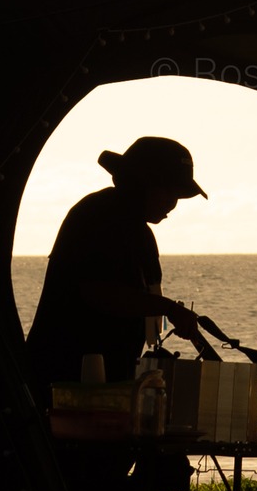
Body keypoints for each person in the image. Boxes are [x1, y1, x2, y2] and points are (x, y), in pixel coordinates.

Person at [25, 136, 212, 402]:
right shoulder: (99, 216)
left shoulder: (138, 231)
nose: (173, 203)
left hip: (104, 386)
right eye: (168, 192)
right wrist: (170, 309)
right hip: (66, 386)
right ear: (141, 184)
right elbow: (100, 293)